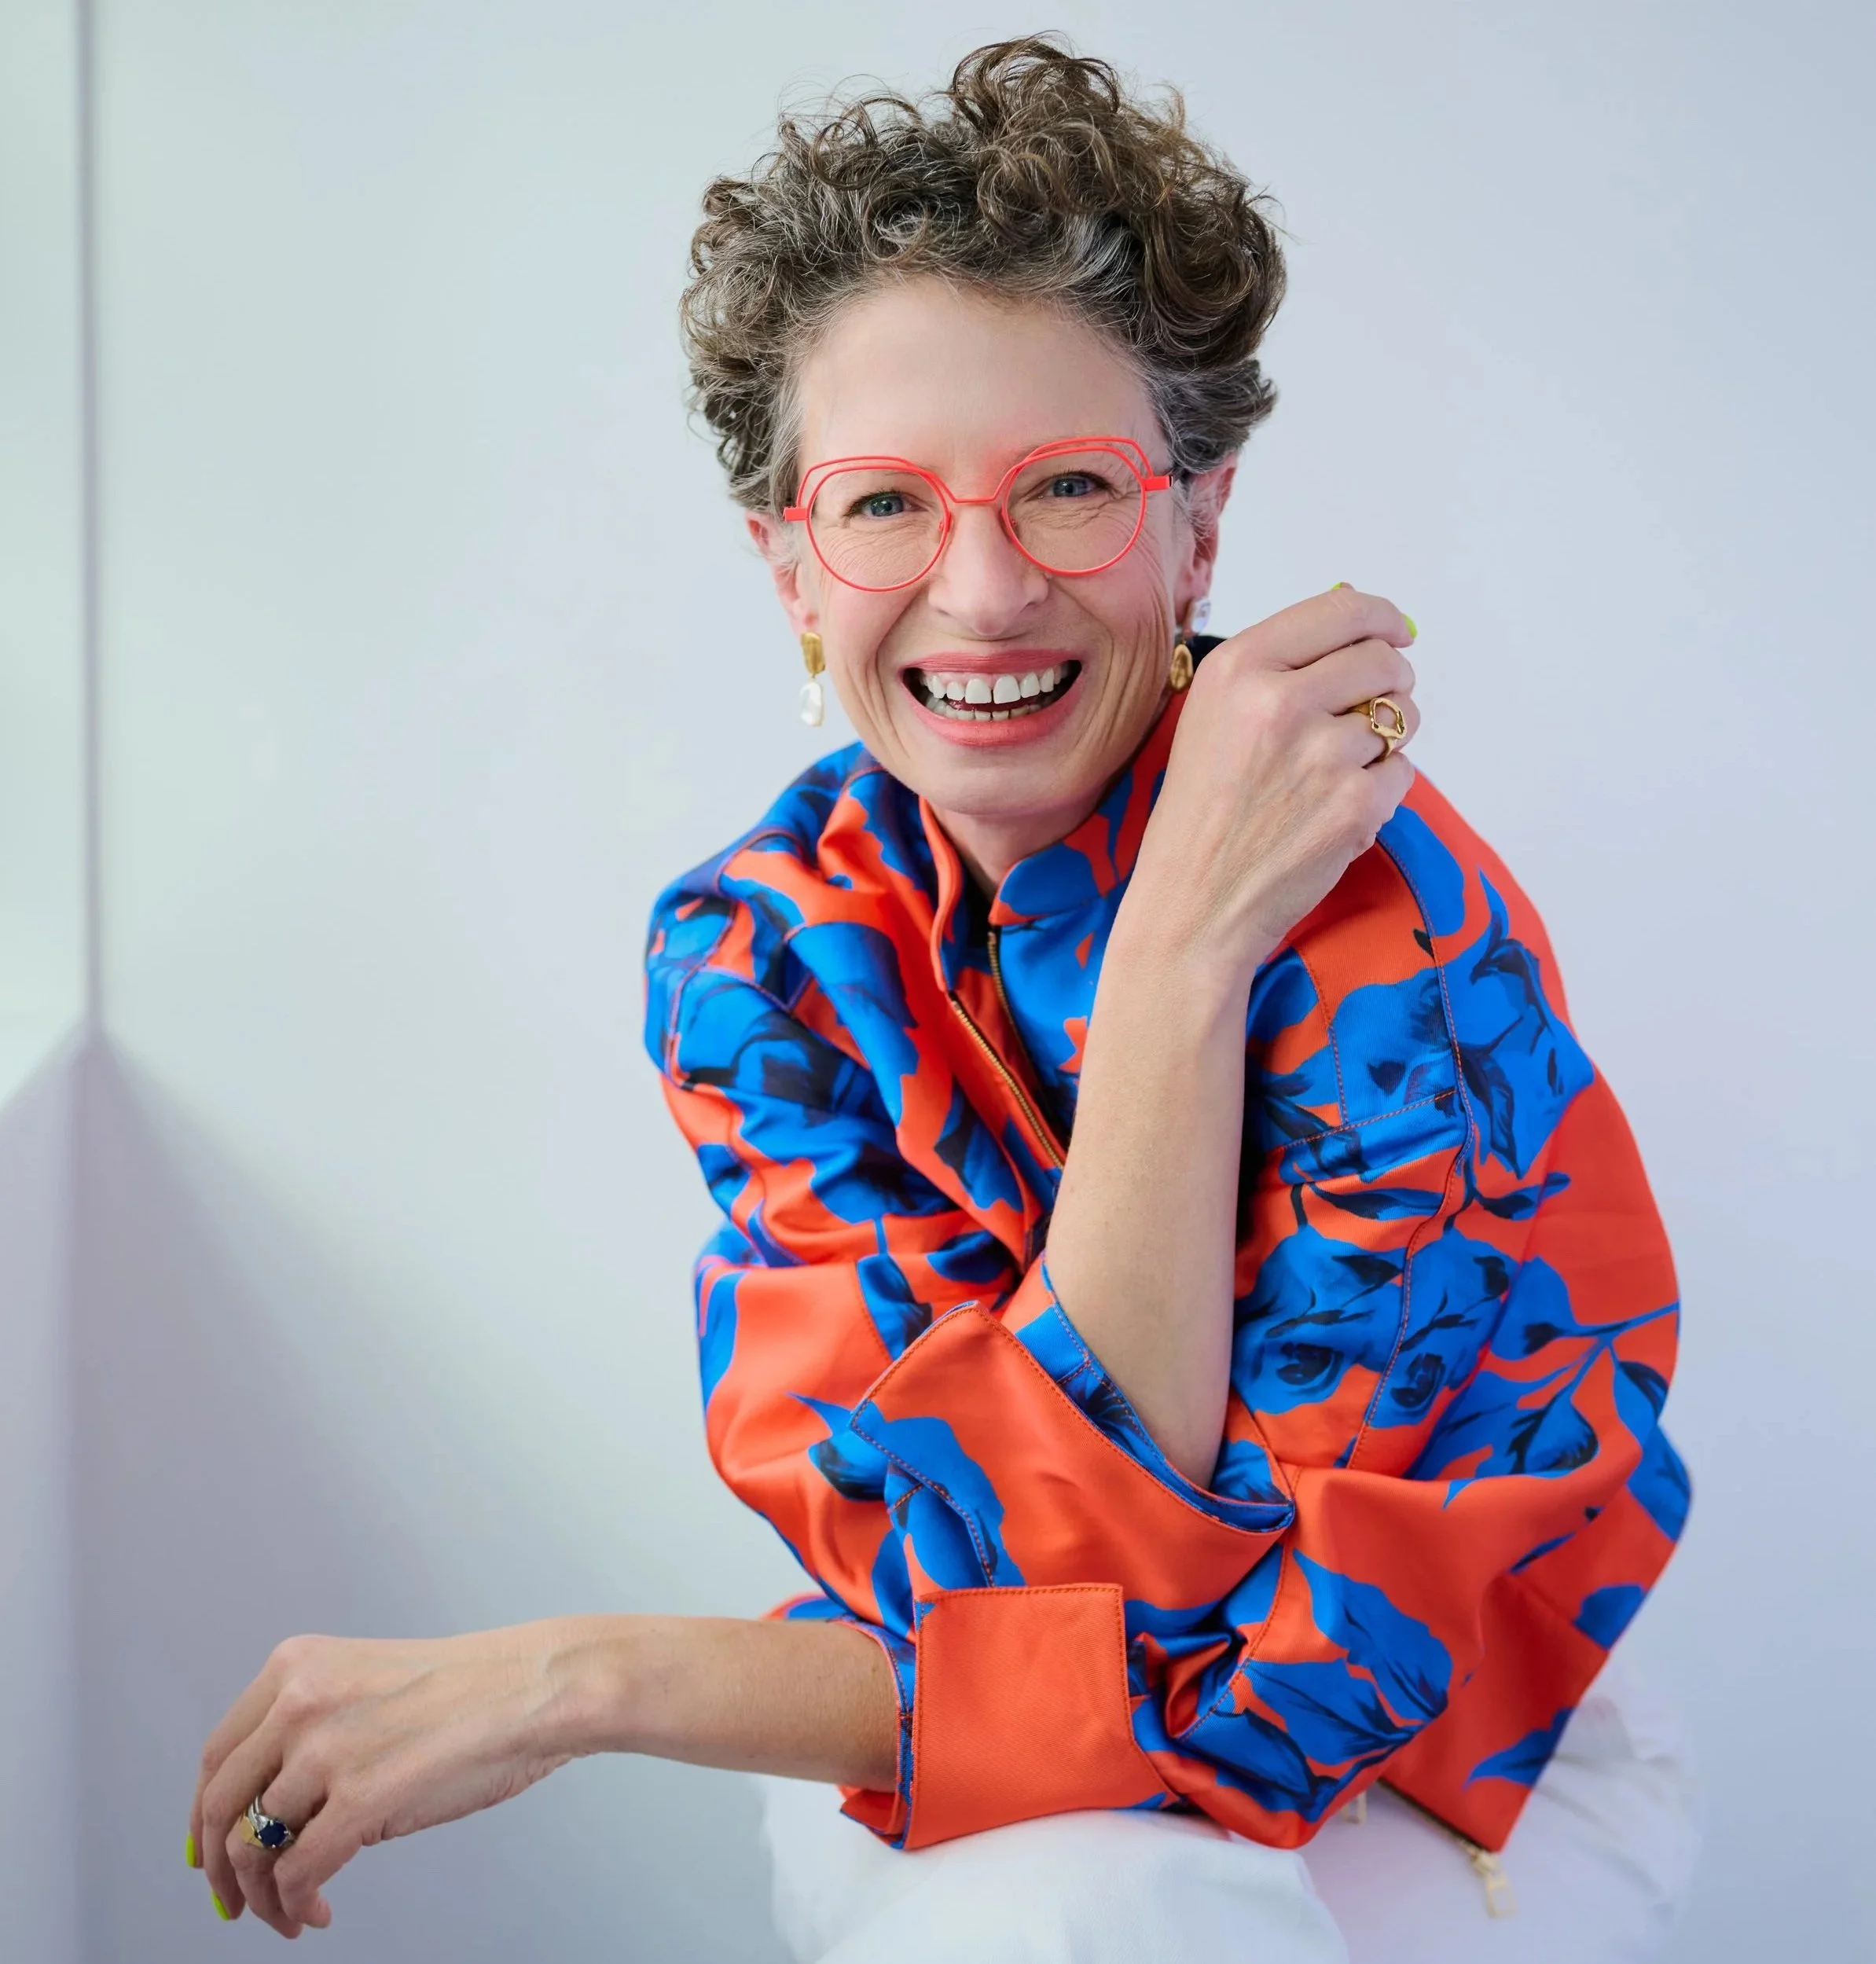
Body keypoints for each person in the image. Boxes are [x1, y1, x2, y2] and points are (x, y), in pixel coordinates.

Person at [188, 38, 1699, 1960]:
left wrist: (583, 1682)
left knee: (1076, 1913)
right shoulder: (756, 950)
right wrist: (1175, 973)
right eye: (884, 504)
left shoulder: (1375, 916)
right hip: (927, 1704)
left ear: (1199, 527)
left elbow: (1249, 1688)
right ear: (788, 569)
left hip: (1460, 1742)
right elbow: (947, 1587)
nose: (980, 592)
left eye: (1069, 487)